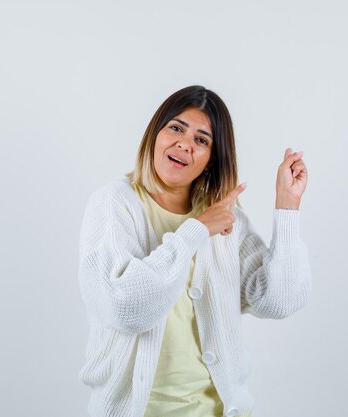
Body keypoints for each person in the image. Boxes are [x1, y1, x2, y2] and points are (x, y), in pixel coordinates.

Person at [77, 85, 311, 417]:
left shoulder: (225, 217)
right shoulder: (114, 204)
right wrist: (197, 230)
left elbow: (278, 301)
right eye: (176, 128)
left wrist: (287, 208)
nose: (185, 143)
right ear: (154, 135)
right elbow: (126, 309)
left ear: (211, 159)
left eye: (202, 140)